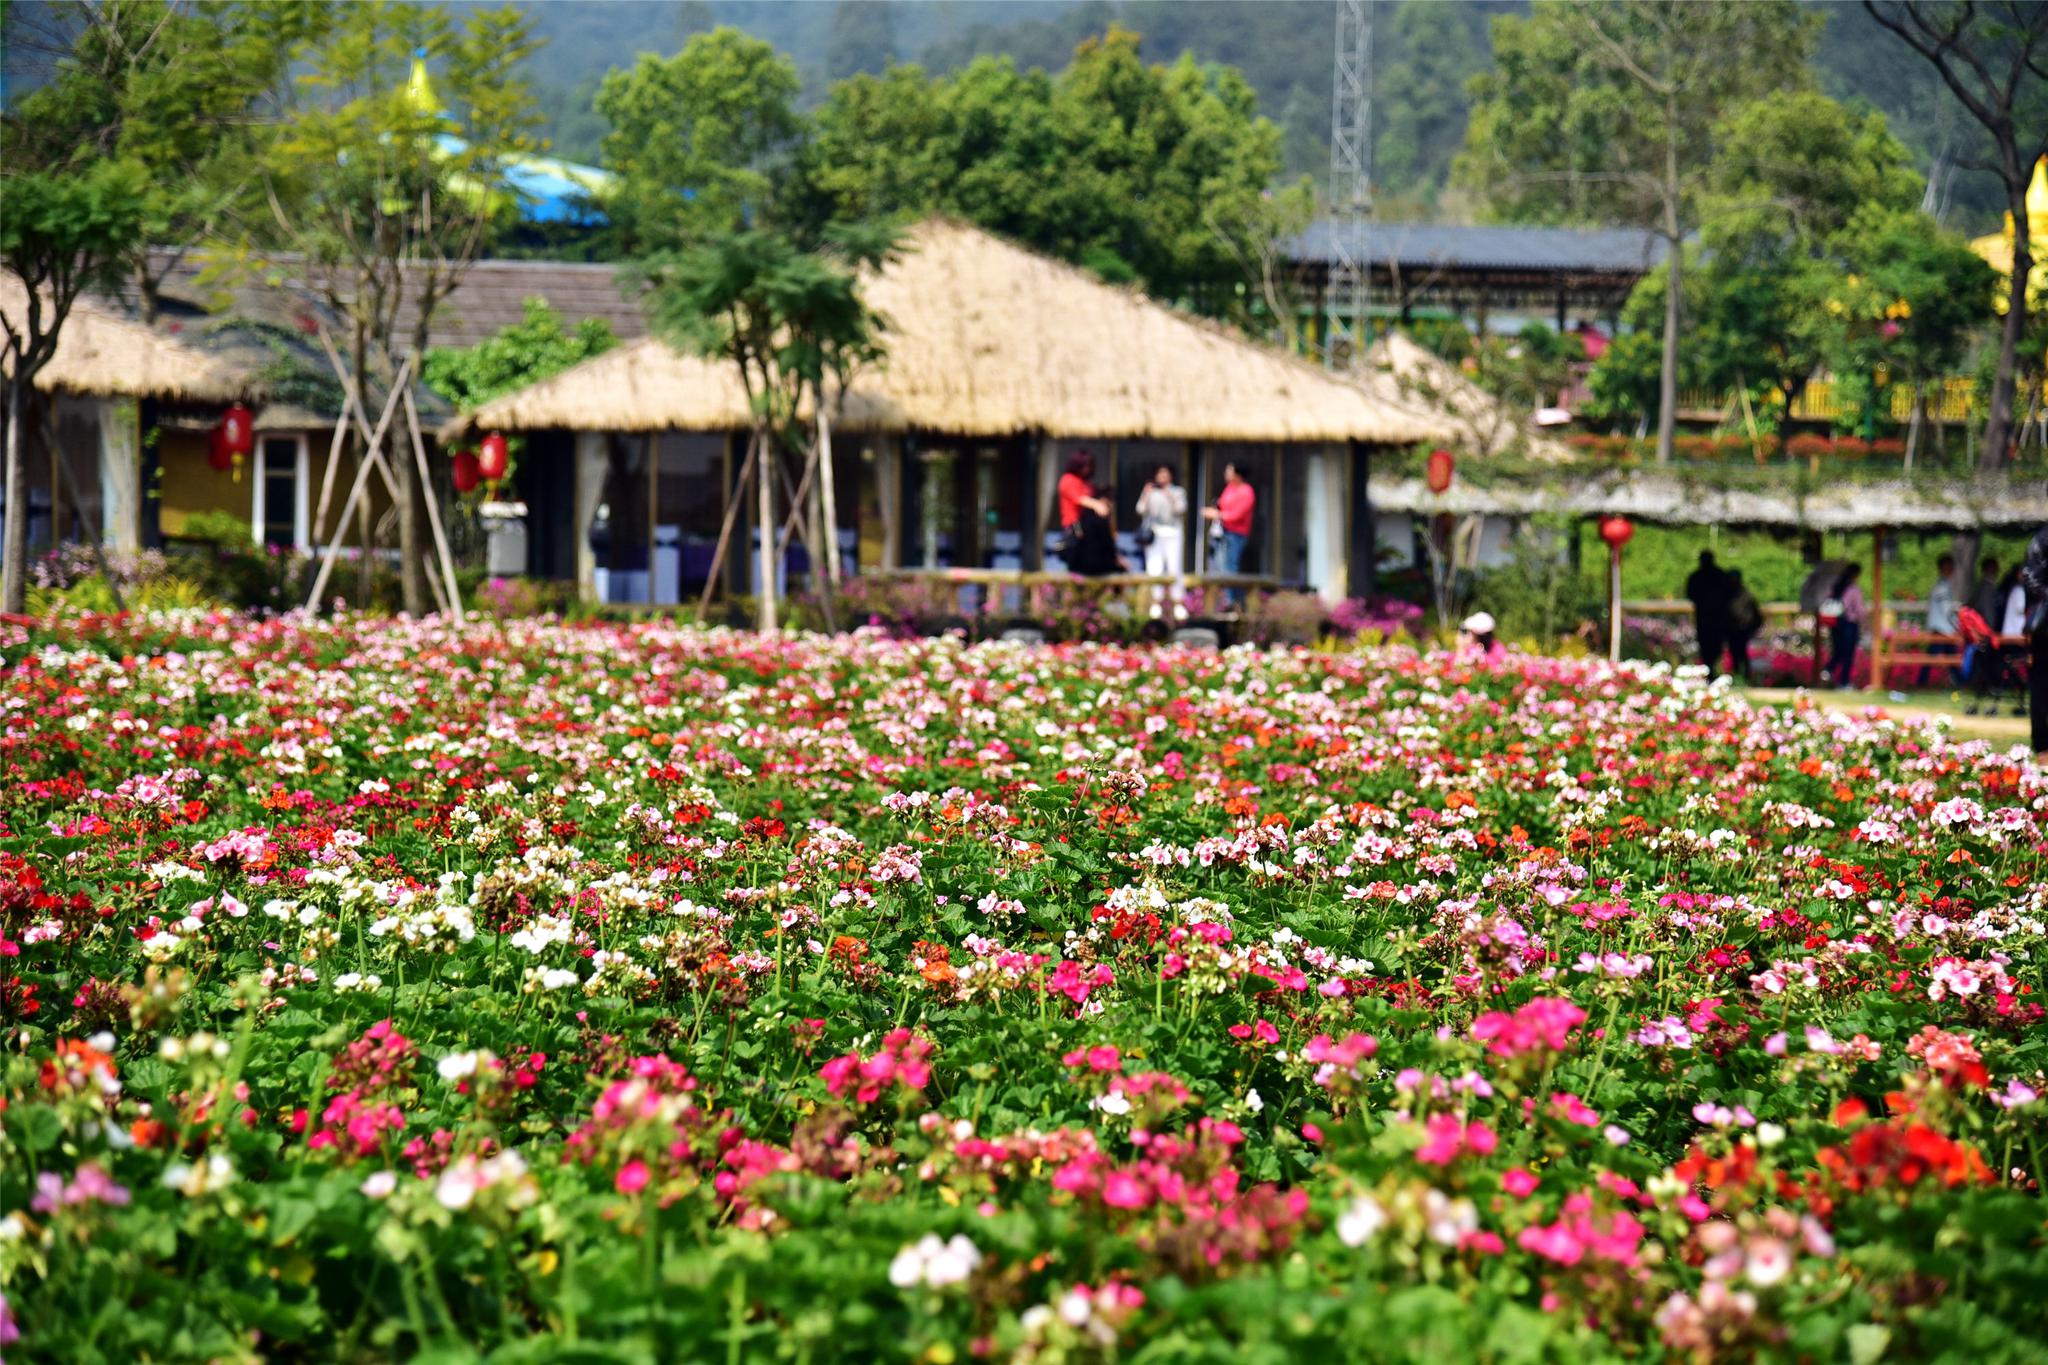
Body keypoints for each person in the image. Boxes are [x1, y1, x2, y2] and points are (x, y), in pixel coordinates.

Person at [1134, 464, 1187, 619]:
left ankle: (1178, 603)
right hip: (1155, 534)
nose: (1162, 477)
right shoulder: (1151, 492)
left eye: (1165, 474)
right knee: (1154, 567)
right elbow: (1140, 510)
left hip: (1173, 533)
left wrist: (1168, 495)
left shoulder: (1178, 491)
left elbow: (1180, 509)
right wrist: (1146, 494)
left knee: (1174, 567)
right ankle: (1155, 602)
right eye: (1160, 474)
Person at [2021, 523, 2048, 756]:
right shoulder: (2041, 540)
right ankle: (2042, 745)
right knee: (2041, 685)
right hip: (2044, 629)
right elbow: (2030, 578)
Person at [1684, 551, 1733, 675]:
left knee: (1713, 644)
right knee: (1708, 644)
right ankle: (1709, 670)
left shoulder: (1701, 576)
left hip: (1713, 617)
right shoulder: (1717, 575)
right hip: (1708, 617)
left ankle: (1712, 670)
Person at [1065, 481, 1125, 579]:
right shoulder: (1100, 519)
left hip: (1079, 565)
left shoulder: (1083, 516)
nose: (1112, 505)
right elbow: (1108, 547)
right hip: (1094, 567)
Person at [1917, 553, 1960, 687]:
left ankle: (1958, 681)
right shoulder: (1942, 587)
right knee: (1939, 656)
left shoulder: (1941, 585)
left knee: (1944, 655)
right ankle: (1922, 682)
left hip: (1941, 627)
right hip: (1942, 628)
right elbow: (1946, 610)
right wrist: (1957, 625)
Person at [1826, 562, 1865, 689]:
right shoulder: (1853, 589)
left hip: (1835, 623)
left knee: (1838, 651)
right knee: (1848, 654)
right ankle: (1844, 682)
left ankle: (1828, 669)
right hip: (1849, 623)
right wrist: (1865, 623)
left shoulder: (1835, 587)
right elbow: (1859, 609)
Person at [1057, 450, 1109, 536]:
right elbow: (1079, 498)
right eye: (1086, 466)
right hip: (1074, 526)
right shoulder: (1068, 479)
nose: (1088, 469)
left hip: (1088, 525)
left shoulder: (1085, 482)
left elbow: (1093, 494)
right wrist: (1096, 504)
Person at [1725, 570, 1762, 681]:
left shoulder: (1745, 595)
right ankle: (1738, 676)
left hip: (1742, 628)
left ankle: (1745, 677)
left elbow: (1753, 614)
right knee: (1734, 653)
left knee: (1741, 653)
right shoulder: (1728, 594)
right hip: (1733, 628)